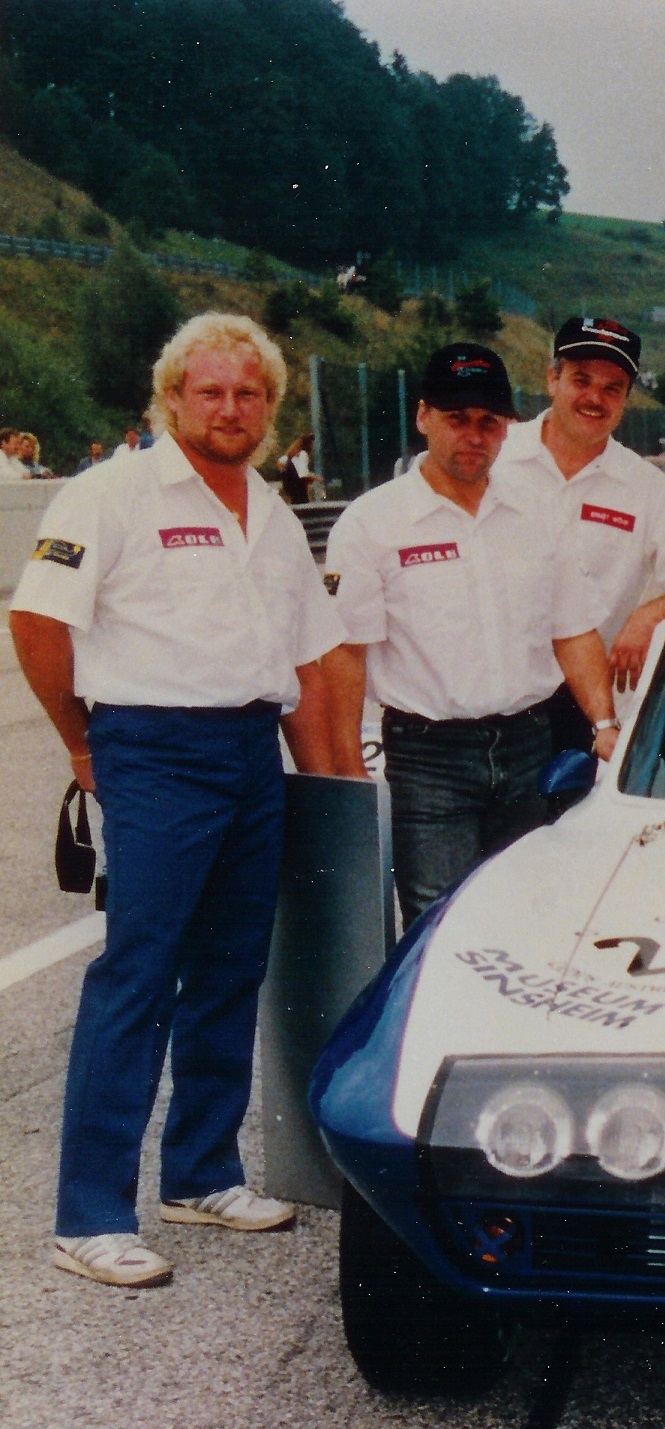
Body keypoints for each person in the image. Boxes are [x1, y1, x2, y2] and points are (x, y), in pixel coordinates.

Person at [10, 312, 344, 1287]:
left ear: (269, 407)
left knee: (233, 967)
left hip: (250, 750)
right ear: (171, 399)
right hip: (152, 750)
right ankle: (89, 1215)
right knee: (139, 972)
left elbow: (309, 657)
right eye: (211, 391)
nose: (230, 408)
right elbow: (37, 620)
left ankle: (201, 1173)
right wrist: (84, 744)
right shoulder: (110, 492)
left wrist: (327, 785)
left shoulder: (271, 513)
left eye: (248, 393)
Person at [322, 344, 620, 923]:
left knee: (527, 918)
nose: (473, 436)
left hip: (530, 747)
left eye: (489, 422)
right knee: (440, 924)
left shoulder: (539, 511)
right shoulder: (371, 523)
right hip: (429, 760)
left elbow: (574, 632)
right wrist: (348, 770)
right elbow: (345, 655)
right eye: (457, 419)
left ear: (507, 428)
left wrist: (604, 725)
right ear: (423, 416)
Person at [494, 316, 665, 758]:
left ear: (625, 399)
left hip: (584, 708)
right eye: (581, 380)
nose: (594, 399)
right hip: (485, 699)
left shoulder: (646, 487)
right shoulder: (495, 456)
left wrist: (647, 616)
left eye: (611, 388)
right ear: (552, 379)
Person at [277, 433, 321, 504]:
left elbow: (280, 462)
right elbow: (303, 475)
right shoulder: (303, 454)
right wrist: (318, 479)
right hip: (299, 490)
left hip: (291, 490)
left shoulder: (292, 455)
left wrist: (286, 474)